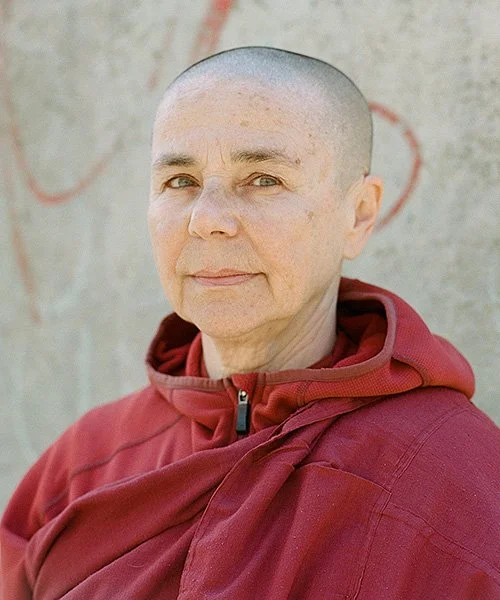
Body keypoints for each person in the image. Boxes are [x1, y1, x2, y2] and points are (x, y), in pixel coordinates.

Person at [1, 46, 498, 599]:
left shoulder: (456, 477)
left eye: (263, 179)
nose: (207, 219)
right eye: (180, 181)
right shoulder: (85, 461)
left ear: (358, 214)